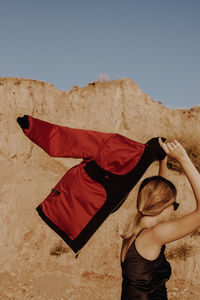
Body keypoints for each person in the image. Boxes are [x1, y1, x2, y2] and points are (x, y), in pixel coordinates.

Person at [17, 115, 167, 257]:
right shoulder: (118, 145)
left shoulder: (132, 156)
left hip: (73, 216)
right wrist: (34, 127)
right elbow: (73, 139)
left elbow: (72, 139)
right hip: (70, 205)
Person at [120, 138, 200, 300]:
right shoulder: (155, 234)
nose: (173, 210)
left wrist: (163, 161)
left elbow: (157, 192)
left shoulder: (135, 228)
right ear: (164, 206)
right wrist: (183, 158)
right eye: (175, 205)